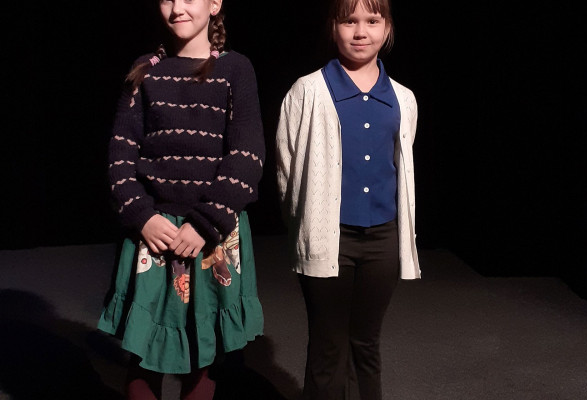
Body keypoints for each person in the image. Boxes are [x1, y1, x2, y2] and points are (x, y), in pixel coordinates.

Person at [97, 0, 265, 399]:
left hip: (211, 233)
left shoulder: (235, 69)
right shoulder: (144, 70)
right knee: (142, 351)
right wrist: (142, 216)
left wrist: (206, 222)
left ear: (215, 4)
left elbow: (247, 156)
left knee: (203, 350)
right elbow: (120, 155)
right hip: (153, 232)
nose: (177, 9)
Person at [275, 0, 420, 399]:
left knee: (366, 344)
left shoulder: (403, 98)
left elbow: (401, 165)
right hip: (329, 237)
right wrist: (305, 225)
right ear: (333, 27)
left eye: (372, 20)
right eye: (349, 21)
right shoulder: (307, 91)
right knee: (328, 343)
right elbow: (287, 168)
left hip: (383, 238)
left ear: (387, 28)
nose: (360, 32)